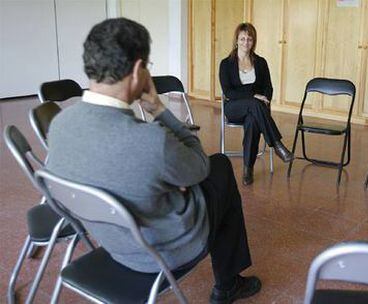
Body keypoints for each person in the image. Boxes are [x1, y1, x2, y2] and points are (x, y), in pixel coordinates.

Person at [46, 18, 260, 304]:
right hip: (163, 250)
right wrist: (159, 110)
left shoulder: (59, 125)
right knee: (219, 166)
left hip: (112, 243)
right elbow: (199, 164)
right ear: (138, 70)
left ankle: (228, 281)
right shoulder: (149, 140)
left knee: (180, 176)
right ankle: (227, 284)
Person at [219, 22, 293, 186]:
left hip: (256, 110)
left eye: (249, 39)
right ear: (236, 40)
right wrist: (253, 95)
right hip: (234, 107)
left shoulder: (260, 62)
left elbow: (268, 87)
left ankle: (248, 169)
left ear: (254, 41)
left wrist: (264, 98)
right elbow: (229, 92)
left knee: (252, 121)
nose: (246, 43)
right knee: (254, 104)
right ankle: (276, 143)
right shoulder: (226, 64)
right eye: (242, 39)